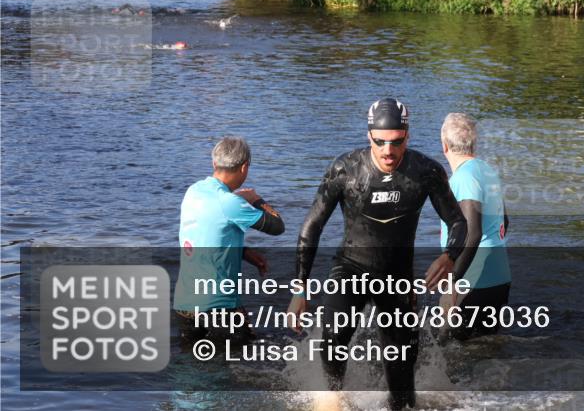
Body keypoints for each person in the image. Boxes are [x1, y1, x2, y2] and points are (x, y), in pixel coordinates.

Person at [288, 98, 480, 410]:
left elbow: (459, 222)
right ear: (369, 137)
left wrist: (449, 256)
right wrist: (300, 287)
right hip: (349, 267)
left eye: (396, 142)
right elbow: (311, 227)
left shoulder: (426, 171)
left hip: (396, 276)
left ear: (407, 136)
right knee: (333, 338)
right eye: (380, 142)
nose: (388, 151)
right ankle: (333, 400)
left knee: (402, 371)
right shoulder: (345, 169)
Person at [174, 136, 285, 344]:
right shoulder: (231, 203)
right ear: (244, 168)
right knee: (237, 362)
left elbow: (209, 232)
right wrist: (256, 199)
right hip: (218, 307)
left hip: (185, 304)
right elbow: (277, 226)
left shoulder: (193, 192)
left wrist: (245, 253)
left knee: (191, 367)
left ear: (214, 163)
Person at [438, 113, 511, 340]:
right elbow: (504, 222)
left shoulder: (463, 178)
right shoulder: (487, 171)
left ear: (445, 146)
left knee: (447, 349)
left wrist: (452, 284)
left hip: (474, 280)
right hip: (499, 276)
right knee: (485, 348)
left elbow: (473, 233)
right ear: (474, 144)